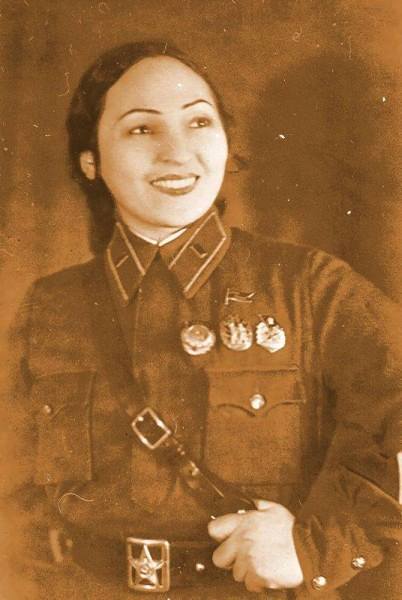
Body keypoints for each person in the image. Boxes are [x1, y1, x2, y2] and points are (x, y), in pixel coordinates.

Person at [1, 40, 401, 600]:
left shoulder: (309, 286)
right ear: (91, 160)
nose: (177, 152)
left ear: (226, 143)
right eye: (142, 129)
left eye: (198, 122)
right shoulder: (49, 307)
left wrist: (317, 547)